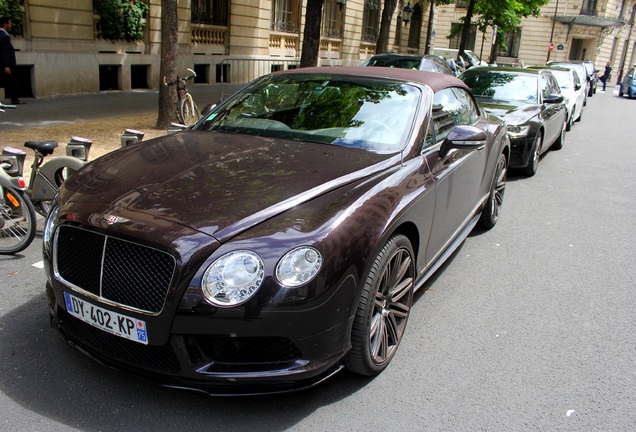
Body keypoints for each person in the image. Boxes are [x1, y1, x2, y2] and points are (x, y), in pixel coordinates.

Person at [0, 16, 24, 104]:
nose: (11, 25)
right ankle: (14, 99)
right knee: (12, 81)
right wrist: (6, 65)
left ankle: (14, 99)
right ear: (5, 24)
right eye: (9, 23)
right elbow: (5, 51)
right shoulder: (5, 36)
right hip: (7, 64)